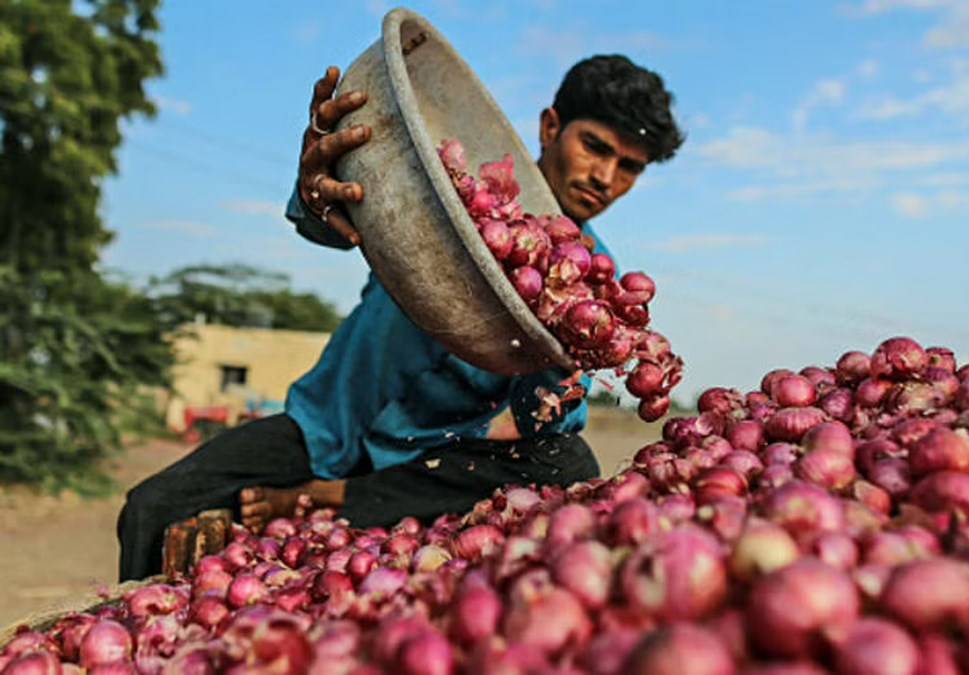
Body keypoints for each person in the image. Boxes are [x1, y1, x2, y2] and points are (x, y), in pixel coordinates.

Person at [117, 54, 684, 581]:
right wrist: (318, 187)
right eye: (595, 147)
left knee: (569, 463)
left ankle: (335, 498)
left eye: (629, 167)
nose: (605, 178)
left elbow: (546, 423)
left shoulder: (596, 283)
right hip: (328, 428)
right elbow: (341, 218)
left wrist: (567, 361)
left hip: (437, 457)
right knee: (153, 506)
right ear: (550, 126)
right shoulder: (453, 192)